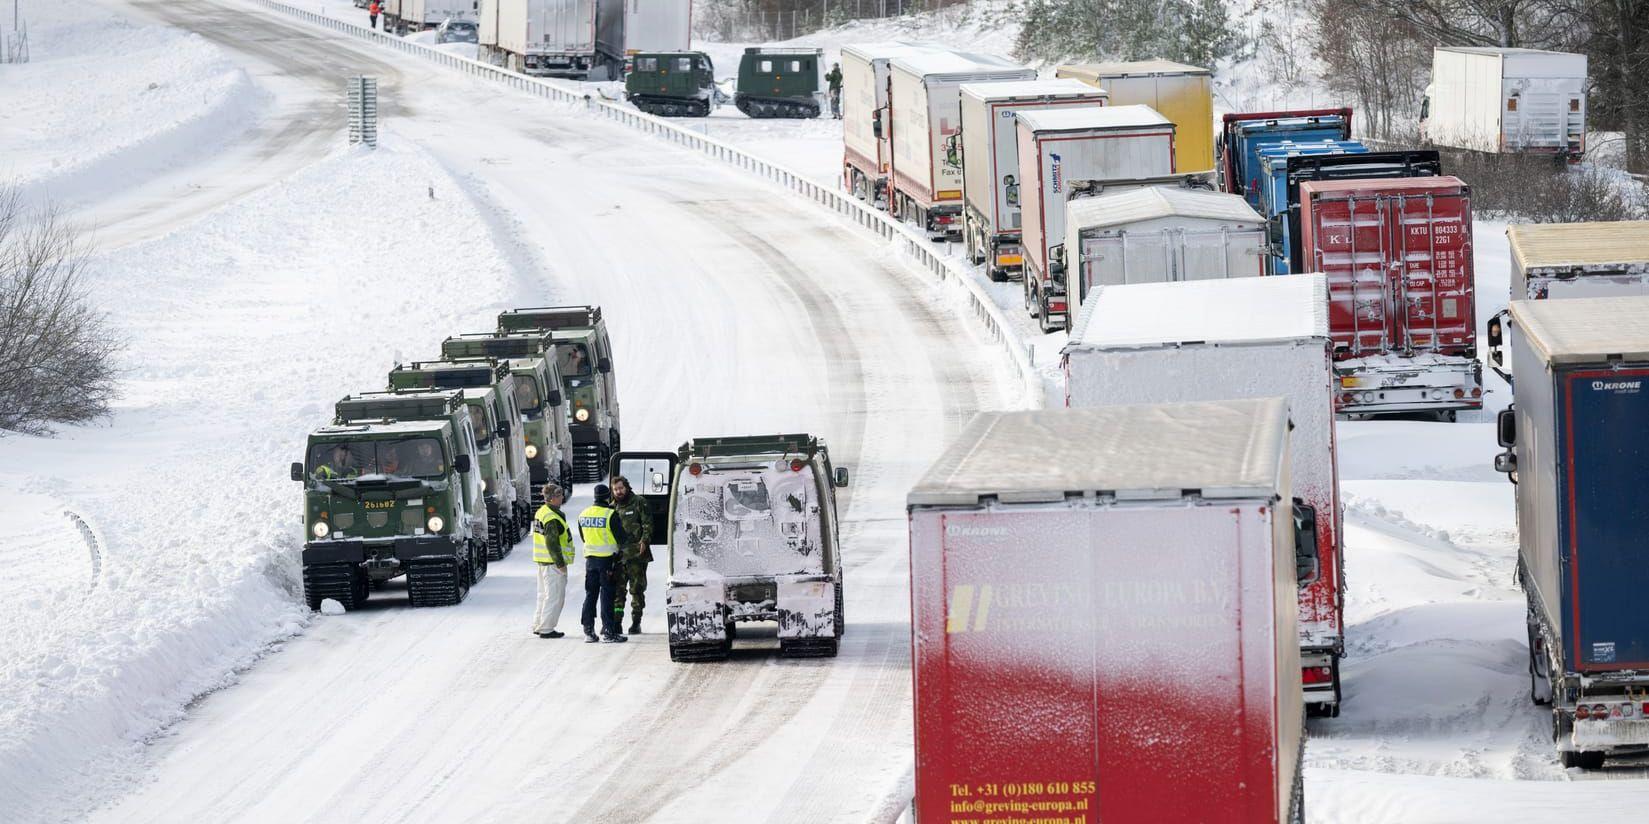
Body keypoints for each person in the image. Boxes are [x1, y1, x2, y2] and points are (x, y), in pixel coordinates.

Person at [578, 484, 631, 643]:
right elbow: (622, 539)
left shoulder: (583, 514)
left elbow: (583, 537)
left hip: (590, 561)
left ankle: (588, 631)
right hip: (607, 561)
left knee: (590, 595)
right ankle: (608, 631)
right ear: (608, 497)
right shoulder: (610, 514)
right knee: (607, 596)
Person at [608, 475, 653, 635]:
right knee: (618, 592)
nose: (619, 492)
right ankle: (616, 622)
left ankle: (636, 622)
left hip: (637, 556)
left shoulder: (639, 502)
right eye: (615, 489)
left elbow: (647, 524)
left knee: (637, 590)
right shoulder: (611, 507)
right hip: (619, 557)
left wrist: (645, 541)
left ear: (626, 487)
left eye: (621, 488)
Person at [531, 483, 573, 638]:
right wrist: (561, 564)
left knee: (543, 595)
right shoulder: (552, 518)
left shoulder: (542, 512)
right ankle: (547, 629)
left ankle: (538, 624)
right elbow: (552, 543)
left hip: (543, 563)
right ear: (554, 497)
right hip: (553, 564)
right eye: (560, 495)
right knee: (554, 597)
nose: (562, 497)